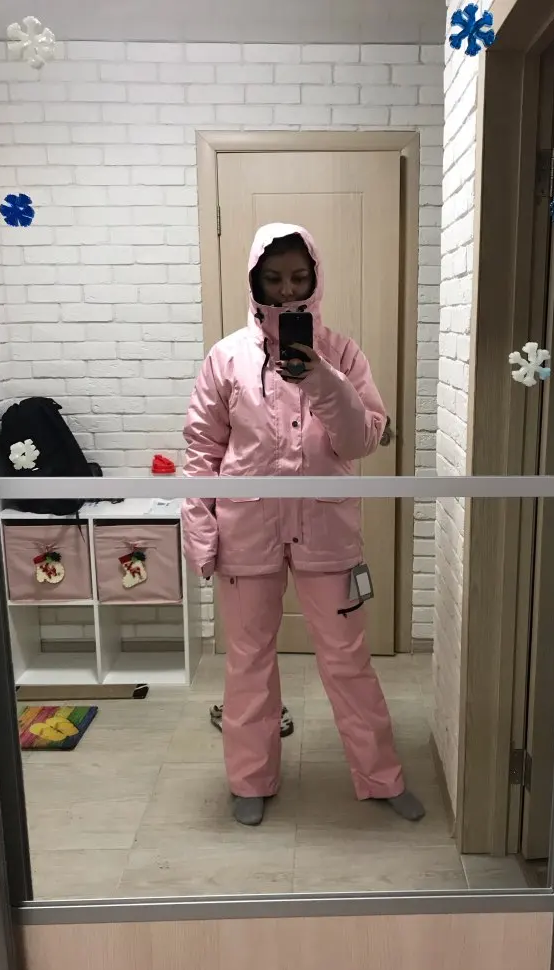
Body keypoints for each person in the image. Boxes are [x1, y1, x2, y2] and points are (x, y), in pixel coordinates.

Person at [182, 223, 424, 828]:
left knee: (347, 658)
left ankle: (380, 775)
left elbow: (362, 439)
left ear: (315, 277)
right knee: (248, 659)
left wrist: (320, 377)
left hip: (326, 530)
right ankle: (249, 778)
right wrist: (201, 531)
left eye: (298, 277)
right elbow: (201, 451)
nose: (287, 290)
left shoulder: (342, 353)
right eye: (273, 278)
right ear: (254, 281)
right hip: (247, 528)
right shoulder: (226, 358)